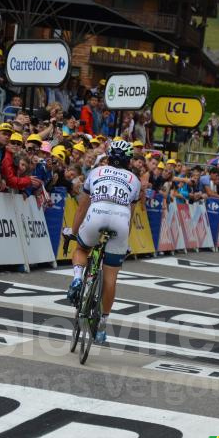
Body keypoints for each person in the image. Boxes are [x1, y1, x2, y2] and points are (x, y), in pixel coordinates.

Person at [66, 139, 141, 343]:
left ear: (109, 156)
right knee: (110, 278)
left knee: (81, 249)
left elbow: (82, 206)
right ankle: (101, 325)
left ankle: (77, 278)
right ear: (128, 160)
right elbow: (131, 213)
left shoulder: (96, 172)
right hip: (120, 222)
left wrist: (72, 231)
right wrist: (125, 240)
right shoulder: (135, 179)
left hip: (96, 214)